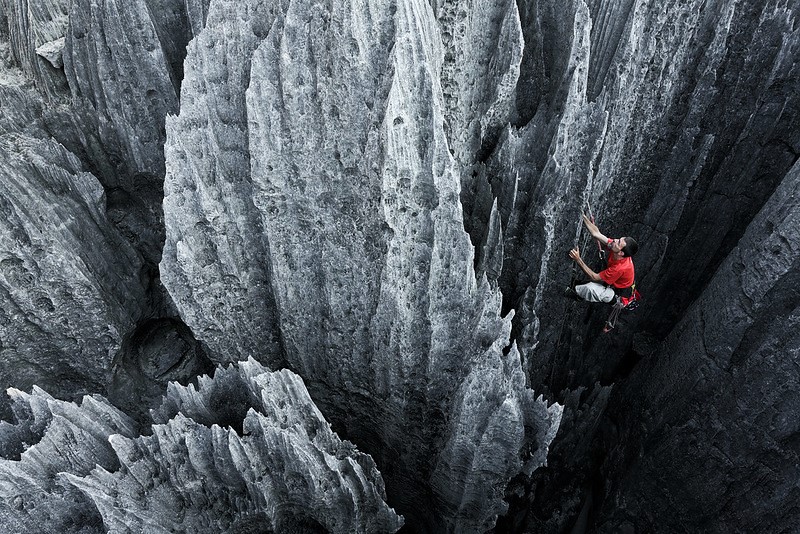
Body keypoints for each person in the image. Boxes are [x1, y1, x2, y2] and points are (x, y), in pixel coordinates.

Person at [565, 214, 638, 302]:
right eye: (619, 239)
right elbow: (596, 234)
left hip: (618, 293)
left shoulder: (619, 268)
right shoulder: (616, 248)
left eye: (618, 242)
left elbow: (594, 277)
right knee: (592, 283)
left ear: (621, 253)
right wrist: (582, 216)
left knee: (590, 288)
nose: (615, 240)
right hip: (616, 281)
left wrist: (578, 259)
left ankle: (578, 296)